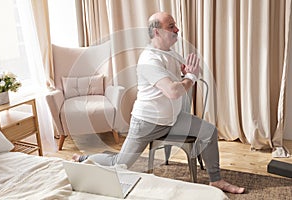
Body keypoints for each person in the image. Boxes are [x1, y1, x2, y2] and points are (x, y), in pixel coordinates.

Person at [73, 11, 245, 194]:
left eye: (175, 25)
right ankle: (85, 159)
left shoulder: (169, 53)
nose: (177, 29)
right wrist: (191, 76)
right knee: (120, 164)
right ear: (157, 32)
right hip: (146, 124)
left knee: (209, 131)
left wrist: (183, 74)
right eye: (171, 26)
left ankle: (216, 180)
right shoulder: (149, 59)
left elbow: (171, 83)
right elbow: (172, 91)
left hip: (173, 121)